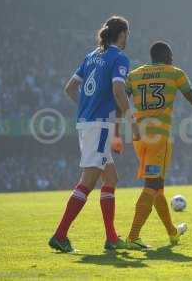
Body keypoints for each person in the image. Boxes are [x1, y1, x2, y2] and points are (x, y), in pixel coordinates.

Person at [125, 41, 192, 249]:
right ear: (166, 55)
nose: (173, 59)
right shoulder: (174, 73)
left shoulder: (134, 75)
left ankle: (172, 233)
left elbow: (120, 99)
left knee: (157, 188)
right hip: (159, 138)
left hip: (139, 138)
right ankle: (132, 237)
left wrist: (129, 122)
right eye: (171, 56)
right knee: (151, 186)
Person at [48, 16, 139, 253]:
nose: (128, 38)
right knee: (87, 181)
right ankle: (59, 235)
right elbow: (119, 91)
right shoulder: (119, 57)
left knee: (111, 179)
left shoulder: (91, 56)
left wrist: (86, 107)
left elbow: (70, 88)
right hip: (99, 125)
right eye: (127, 34)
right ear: (122, 34)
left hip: (88, 123)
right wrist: (132, 120)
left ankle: (111, 238)